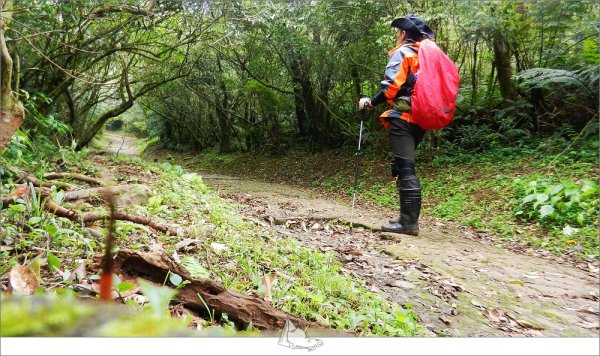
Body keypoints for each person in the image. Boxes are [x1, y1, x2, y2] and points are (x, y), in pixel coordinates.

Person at [358, 14, 434, 236]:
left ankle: (408, 223)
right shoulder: (427, 56)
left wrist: (370, 102)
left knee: (406, 167)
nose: (396, 37)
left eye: (397, 33)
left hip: (404, 117)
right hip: (422, 117)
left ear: (403, 34)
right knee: (403, 164)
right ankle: (407, 219)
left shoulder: (404, 53)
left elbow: (391, 88)